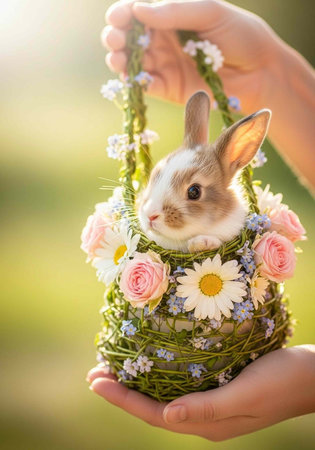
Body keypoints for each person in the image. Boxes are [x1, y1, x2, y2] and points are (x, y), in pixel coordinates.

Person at [86, 0, 315, 441]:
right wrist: (268, 69)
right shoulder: (154, 215)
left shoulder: (234, 228)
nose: (153, 210)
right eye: (157, 183)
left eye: (190, 193)